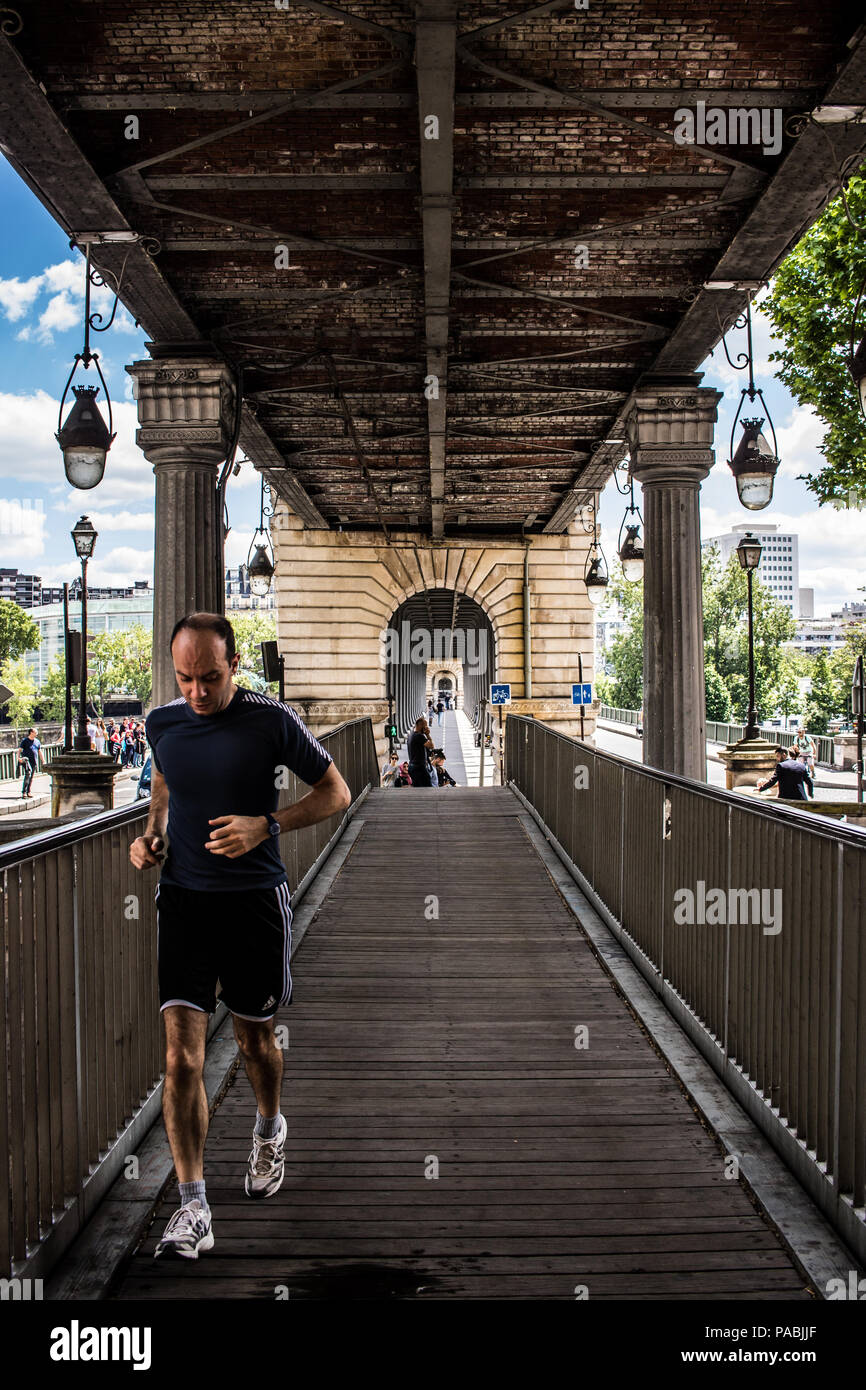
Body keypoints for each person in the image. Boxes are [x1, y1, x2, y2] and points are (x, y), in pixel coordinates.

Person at [129, 611, 351, 1261]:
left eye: (210, 677)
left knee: (255, 1040)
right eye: (185, 678)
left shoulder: (271, 720)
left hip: (255, 902)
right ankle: (193, 1206)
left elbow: (336, 792)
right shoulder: (163, 722)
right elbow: (166, 779)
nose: (197, 692)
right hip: (186, 904)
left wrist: (267, 825)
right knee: (180, 1057)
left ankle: (268, 1128)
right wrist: (154, 835)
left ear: (235, 666)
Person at [407, 716, 434, 787]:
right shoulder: (419, 736)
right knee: (428, 788)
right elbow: (431, 746)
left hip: (412, 767)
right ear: (420, 725)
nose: (426, 728)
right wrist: (427, 734)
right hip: (419, 768)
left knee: (418, 790)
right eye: (425, 726)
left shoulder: (411, 734)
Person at [18, 727, 40, 797]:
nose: (37, 734)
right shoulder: (25, 741)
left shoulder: (37, 741)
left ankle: (28, 791)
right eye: (35, 732)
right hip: (26, 761)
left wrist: (43, 761)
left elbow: (39, 751)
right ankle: (24, 792)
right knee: (28, 774)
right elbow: (20, 750)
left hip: (34, 761)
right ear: (31, 733)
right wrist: (19, 758)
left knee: (31, 777)